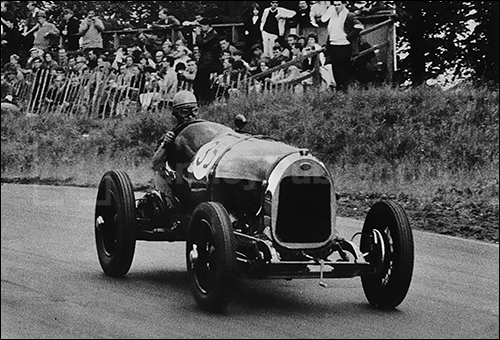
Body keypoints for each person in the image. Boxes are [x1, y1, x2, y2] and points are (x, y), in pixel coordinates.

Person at [151, 90, 200, 210]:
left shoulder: (204, 133)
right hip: (181, 180)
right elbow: (156, 164)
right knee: (161, 176)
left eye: (194, 111)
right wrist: (166, 145)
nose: (190, 116)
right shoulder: (170, 137)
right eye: (185, 112)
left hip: (202, 177)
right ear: (177, 114)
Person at [321, 0, 363, 91]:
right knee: (335, 68)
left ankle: (345, 90)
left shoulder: (349, 15)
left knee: (343, 68)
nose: (337, 7)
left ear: (343, 4)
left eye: (339, 4)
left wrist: (349, 37)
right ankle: (339, 90)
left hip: (343, 46)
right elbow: (331, 31)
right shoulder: (333, 15)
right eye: (335, 5)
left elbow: (359, 27)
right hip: (333, 46)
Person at [193, 17, 222, 106]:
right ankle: (202, 103)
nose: (201, 28)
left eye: (202, 26)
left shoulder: (213, 35)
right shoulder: (207, 34)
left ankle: (206, 102)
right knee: (199, 85)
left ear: (207, 25)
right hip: (205, 63)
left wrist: (198, 35)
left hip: (209, 64)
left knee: (203, 85)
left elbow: (202, 44)